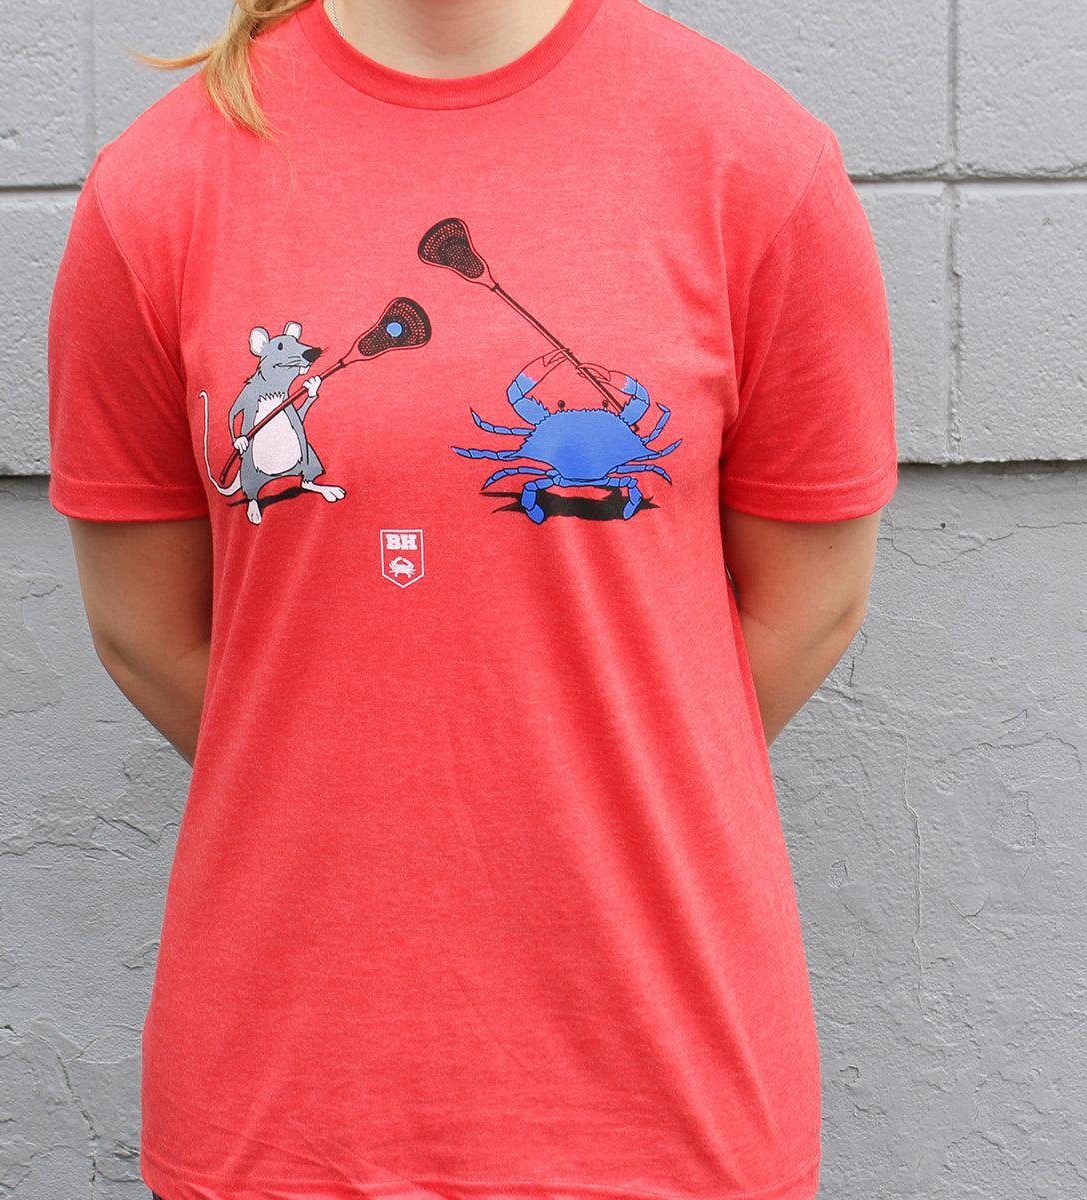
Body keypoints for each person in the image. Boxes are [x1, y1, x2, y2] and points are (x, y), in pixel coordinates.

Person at [46, 1, 899, 1198]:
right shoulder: (161, 185)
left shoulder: (754, 162)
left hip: (666, 1087)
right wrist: (360, 790)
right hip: (288, 1097)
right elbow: (148, 635)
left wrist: (585, 780)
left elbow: (810, 607)